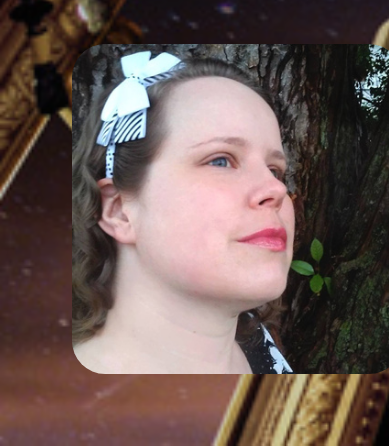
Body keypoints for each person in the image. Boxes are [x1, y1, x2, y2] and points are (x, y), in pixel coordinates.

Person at [72, 51, 296, 374]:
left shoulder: (260, 347)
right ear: (120, 211)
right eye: (221, 160)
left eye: (275, 170)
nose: (276, 190)